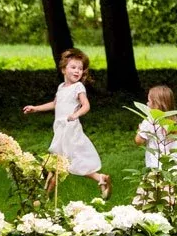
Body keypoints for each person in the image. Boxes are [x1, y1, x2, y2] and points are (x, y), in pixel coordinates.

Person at [23, 48, 111, 199]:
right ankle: (100, 178)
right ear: (64, 69)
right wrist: (35, 108)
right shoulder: (61, 87)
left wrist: (75, 114)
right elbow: (55, 104)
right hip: (61, 130)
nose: (77, 71)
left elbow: (86, 105)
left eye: (80, 69)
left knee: (59, 162)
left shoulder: (78, 87)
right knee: (70, 162)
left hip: (70, 130)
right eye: (73, 67)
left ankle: (44, 196)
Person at [134, 85, 177, 170]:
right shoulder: (173, 121)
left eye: (149, 101)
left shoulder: (150, 121)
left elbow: (138, 141)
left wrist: (140, 129)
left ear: (156, 105)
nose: (147, 104)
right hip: (172, 166)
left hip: (155, 167)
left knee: (155, 183)